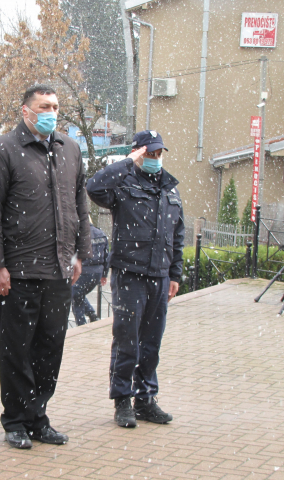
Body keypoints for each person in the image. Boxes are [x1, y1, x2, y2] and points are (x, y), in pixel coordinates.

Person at [0, 84, 92, 449]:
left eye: (55, 107)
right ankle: (15, 421)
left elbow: (80, 205)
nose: (51, 112)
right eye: (44, 106)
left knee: (49, 348)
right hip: (19, 271)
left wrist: (80, 254)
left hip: (58, 270)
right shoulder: (2, 150)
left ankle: (38, 416)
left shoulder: (70, 149)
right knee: (16, 350)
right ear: (25, 111)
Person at [86, 130, 184, 429]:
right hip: (130, 274)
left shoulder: (170, 188)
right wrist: (128, 162)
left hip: (159, 275)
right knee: (127, 341)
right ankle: (123, 401)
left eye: (158, 153)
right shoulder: (123, 183)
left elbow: (176, 235)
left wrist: (175, 274)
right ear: (138, 152)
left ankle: (146, 399)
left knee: (151, 343)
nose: (155, 158)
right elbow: (93, 187)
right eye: (149, 153)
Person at [71, 220, 110, 326]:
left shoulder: (80, 234)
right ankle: (92, 315)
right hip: (97, 272)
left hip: (83, 271)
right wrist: (104, 274)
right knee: (77, 295)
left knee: (75, 297)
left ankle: (83, 323)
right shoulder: (101, 233)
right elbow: (107, 255)